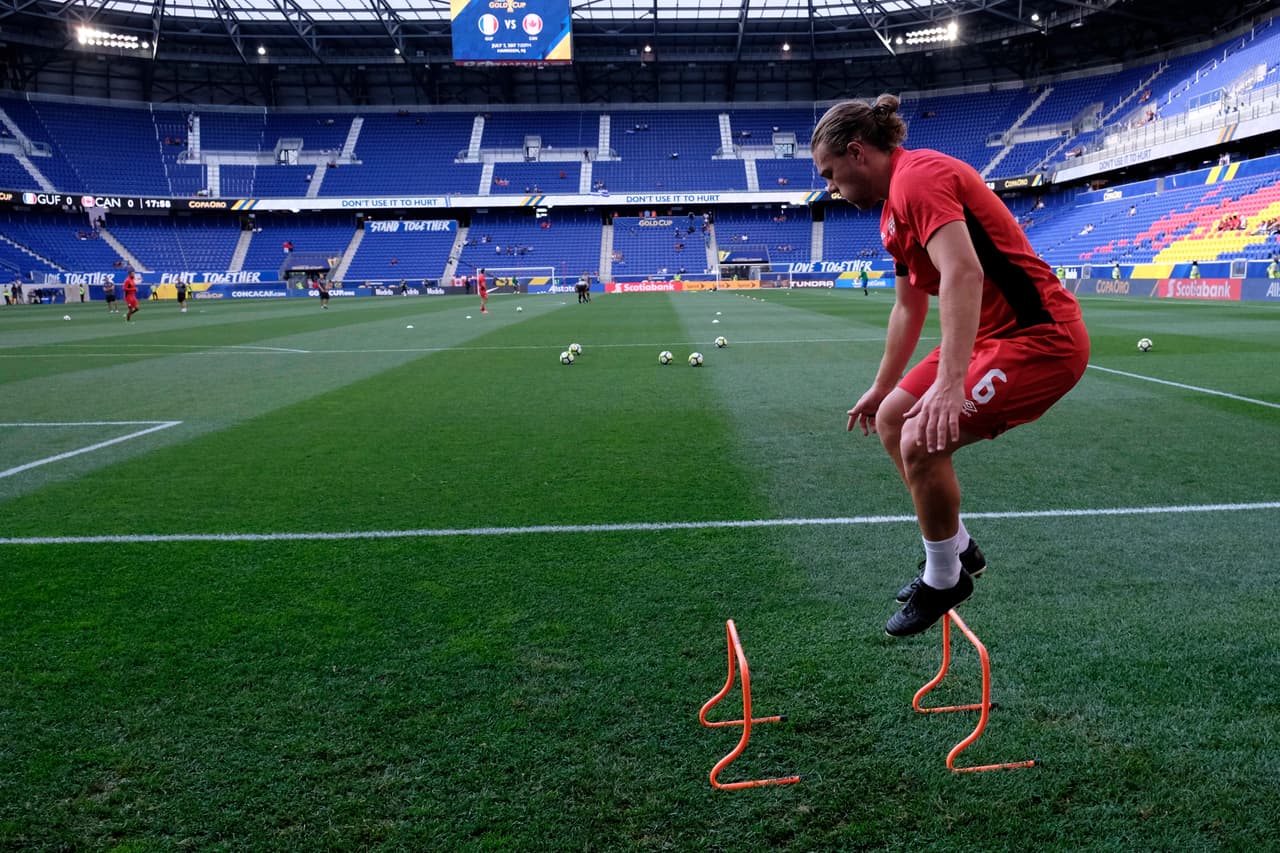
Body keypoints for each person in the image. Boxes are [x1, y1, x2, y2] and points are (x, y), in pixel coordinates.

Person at [812, 94, 1090, 637]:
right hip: (989, 336)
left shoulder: (919, 179)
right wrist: (881, 385)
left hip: (1040, 337)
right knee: (893, 418)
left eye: (832, 174)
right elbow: (907, 306)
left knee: (921, 439)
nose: (832, 189)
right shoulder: (893, 212)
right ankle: (959, 548)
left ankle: (945, 578)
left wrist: (949, 382)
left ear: (856, 151)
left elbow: (964, 273)